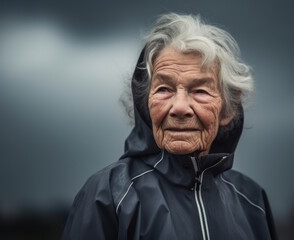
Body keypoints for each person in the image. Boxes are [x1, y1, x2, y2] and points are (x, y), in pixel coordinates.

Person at [62, 13, 277, 240]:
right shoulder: (109, 195)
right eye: (164, 89)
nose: (180, 107)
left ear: (228, 110)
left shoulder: (252, 201)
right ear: (145, 106)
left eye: (200, 91)